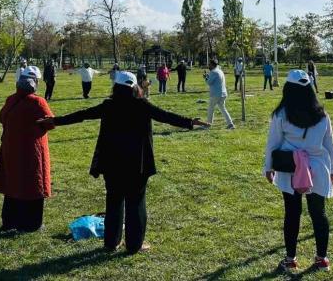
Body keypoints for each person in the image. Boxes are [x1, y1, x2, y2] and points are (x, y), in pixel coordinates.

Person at [38, 71, 209, 253]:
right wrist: (190, 122)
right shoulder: (142, 105)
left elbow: (82, 115)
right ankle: (134, 245)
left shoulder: (109, 105)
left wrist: (55, 121)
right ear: (135, 87)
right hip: (137, 164)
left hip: (112, 163)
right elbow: (166, 116)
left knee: (114, 202)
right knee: (136, 204)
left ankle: (111, 243)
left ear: (116, 86)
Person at [263, 70, 333, 273]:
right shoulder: (322, 115)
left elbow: (273, 143)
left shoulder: (282, 115)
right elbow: (329, 144)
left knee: (292, 213)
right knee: (318, 213)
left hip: (290, 168)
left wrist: (268, 167)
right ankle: (322, 259)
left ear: (288, 90)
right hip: (317, 168)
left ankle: (290, 259)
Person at [0, 72, 54, 232]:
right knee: (34, 183)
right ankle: (31, 224)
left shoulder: (11, 99)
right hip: (32, 149)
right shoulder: (37, 101)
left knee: (12, 182)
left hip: (11, 147)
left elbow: (1, 117)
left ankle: (10, 221)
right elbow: (50, 123)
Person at [204, 59, 235, 129]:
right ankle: (230, 124)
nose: (208, 66)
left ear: (212, 65)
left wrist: (205, 77)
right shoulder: (220, 71)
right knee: (223, 108)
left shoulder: (213, 72)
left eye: (209, 64)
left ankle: (208, 124)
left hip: (216, 94)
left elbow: (209, 82)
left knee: (211, 109)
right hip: (223, 93)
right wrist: (208, 77)